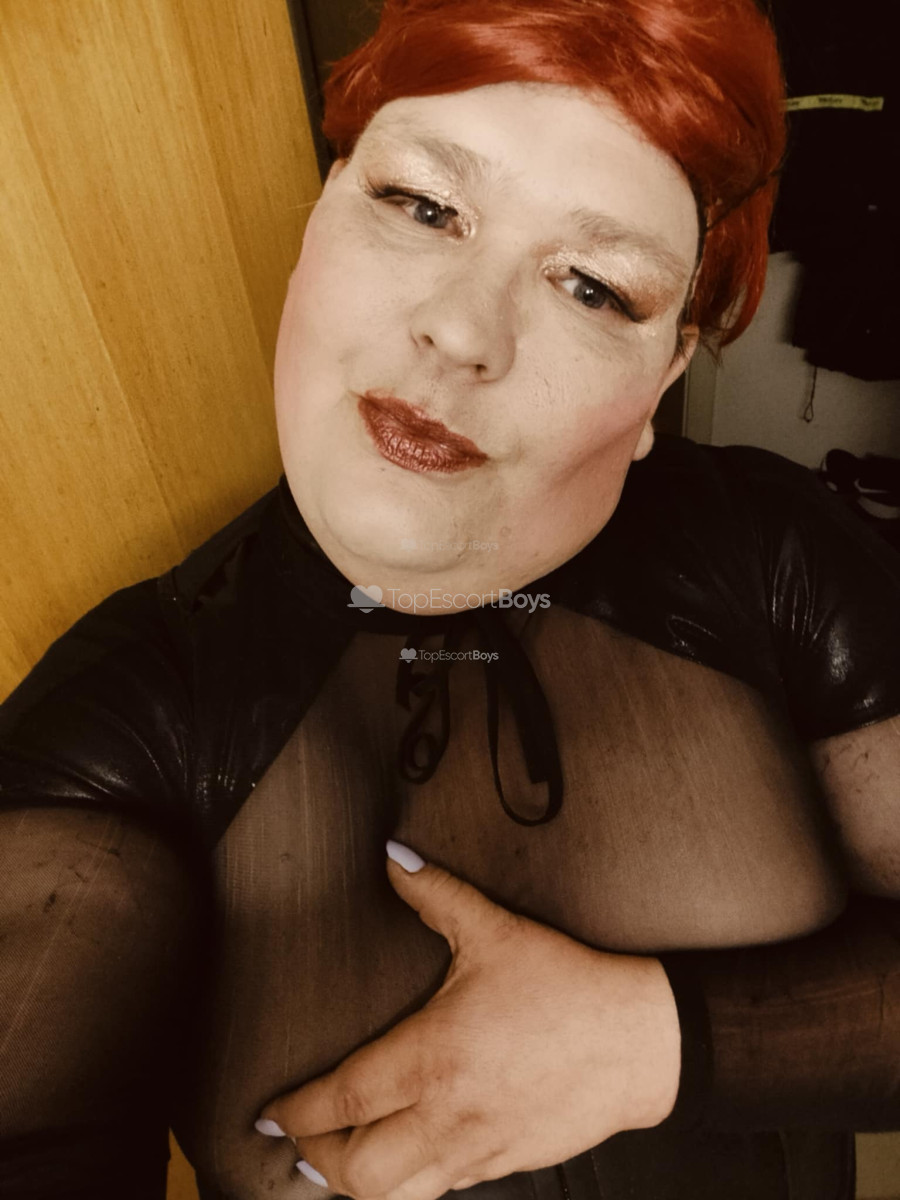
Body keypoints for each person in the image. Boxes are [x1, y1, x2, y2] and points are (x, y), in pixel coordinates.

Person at [2, 1, 900, 1198]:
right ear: (319, 210)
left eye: (593, 286)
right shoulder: (123, 722)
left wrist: (655, 1044)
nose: (465, 331)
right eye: (423, 206)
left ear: (664, 379)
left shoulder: (775, 548)